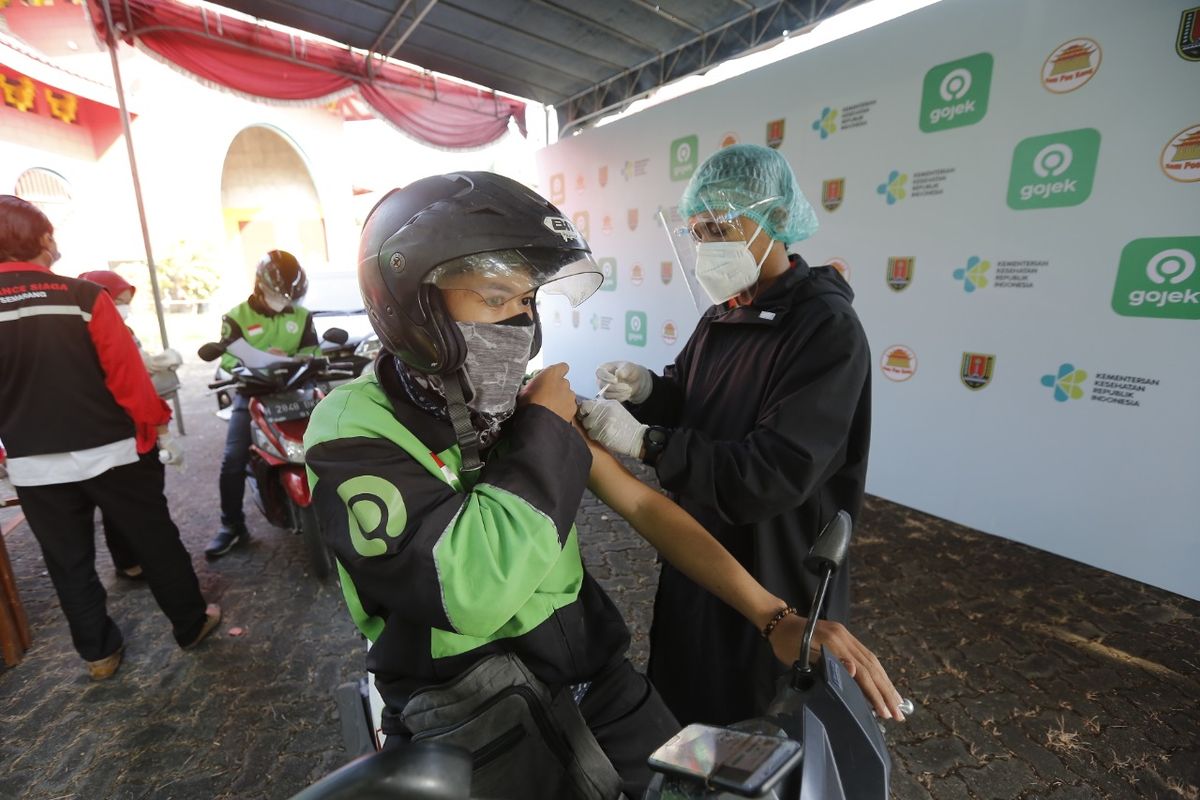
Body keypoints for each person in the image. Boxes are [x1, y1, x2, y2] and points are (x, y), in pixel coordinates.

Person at [303, 172, 900, 798]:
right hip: (463, 707)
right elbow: (469, 591)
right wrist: (542, 429)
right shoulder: (353, 428)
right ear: (413, 304)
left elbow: (643, 504)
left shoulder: (508, 402)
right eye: (494, 297)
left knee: (696, 781)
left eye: (527, 301)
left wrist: (774, 615)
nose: (520, 323)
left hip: (597, 682)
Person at [581, 143, 876, 726]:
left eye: (720, 227)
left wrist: (648, 444)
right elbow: (692, 398)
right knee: (685, 704)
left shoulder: (824, 329)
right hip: (701, 554)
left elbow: (772, 473)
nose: (707, 246)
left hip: (776, 575)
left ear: (775, 222)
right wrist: (647, 394)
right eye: (697, 232)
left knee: (753, 731)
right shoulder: (724, 312)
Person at [0, 195, 219, 679]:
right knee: (155, 540)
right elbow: (128, 379)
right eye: (49, 232)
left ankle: (98, 655)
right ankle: (190, 623)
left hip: (35, 464)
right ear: (40, 239)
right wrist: (157, 426)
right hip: (114, 452)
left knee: (67, 561)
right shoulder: (82, 297)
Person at [206, 250, 320, 558]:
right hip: (253, 393)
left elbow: (313, 350)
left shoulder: (302, 315)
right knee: (232, 460)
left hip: (298, 393)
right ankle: (232, 526)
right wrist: (258, 363)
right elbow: (228, 359)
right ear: (260, 285)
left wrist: (303, 359)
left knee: (333, 443)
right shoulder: (236, 316)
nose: (286, 302)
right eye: (280, 294)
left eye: (293, 296)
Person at [78, 269, 183, 580]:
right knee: (133, 508)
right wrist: (162, 428)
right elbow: (125, 380)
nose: (124, 307)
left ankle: (137, 561)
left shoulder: (125, 329)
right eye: (119, 300)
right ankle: (134, 564)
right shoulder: (83, 332)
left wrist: (152, 363)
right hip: (124, 429)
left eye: (126, 302)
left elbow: (136, 368)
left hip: (140, 426)